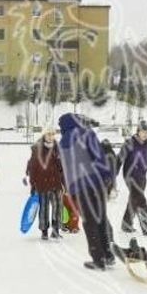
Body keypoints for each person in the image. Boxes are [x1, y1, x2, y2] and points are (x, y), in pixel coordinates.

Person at [59, 112, 115, 270]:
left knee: (90, 222)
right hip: (96, 183)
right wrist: (106, 176)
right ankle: (108, 254)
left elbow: (66, 170)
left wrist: (71, 190)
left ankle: (98, 259)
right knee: (101, 218)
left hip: (79, 188)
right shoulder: (87, 133)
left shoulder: (62, 143)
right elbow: (99, 156)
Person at [117, 120, 147, 235]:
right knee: (141, 200)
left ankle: (126, 224)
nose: (145, 134)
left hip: (141, 176)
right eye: (143, 131)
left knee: (134, 199)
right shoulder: (130, 143)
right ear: (138, 131)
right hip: (130, 175)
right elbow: (120, 158)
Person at [26, 129, 65, 240]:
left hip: (56, 184)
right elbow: (33, 169)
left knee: (57, 208)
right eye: (48, 134)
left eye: (53, 134)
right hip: (42, 184)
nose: (51, 136)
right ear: (44, 135)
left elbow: (62, 168)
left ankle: (56, 230)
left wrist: (64, 184)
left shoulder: (57, 149)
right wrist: (33, 185)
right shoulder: (37, 149)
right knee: (44, 208)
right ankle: (44, 231)